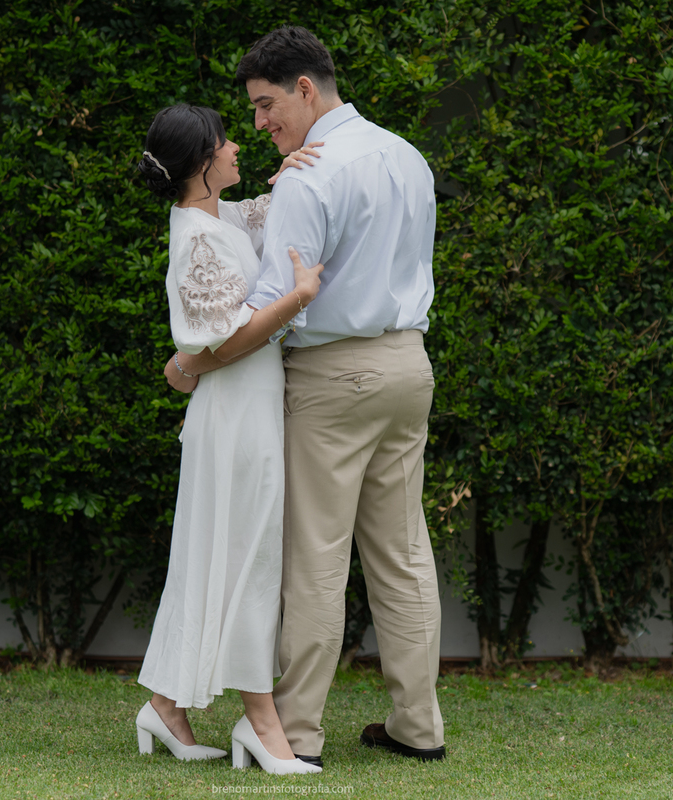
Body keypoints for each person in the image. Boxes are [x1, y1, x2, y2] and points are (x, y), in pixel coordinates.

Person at [166, 27, 446, 765]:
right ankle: (419, 728)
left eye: (266, 105)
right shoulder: (408, 156)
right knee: (404, 554)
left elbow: (268, 305)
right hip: (409, 366)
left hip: (332, 377)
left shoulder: (308, 176)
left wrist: (189, 362)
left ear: (305, 89)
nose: (260, 123)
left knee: (316, 558)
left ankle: (294, 733)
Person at [133, 103, 326, 776]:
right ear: (202, 162)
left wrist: (292, 175)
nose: (238, 145)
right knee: (248, 556)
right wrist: (298, 297)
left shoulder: (223, 217)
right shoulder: (194, 237)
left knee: (221, 553)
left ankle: (165, 705)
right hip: (234, 419)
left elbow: (266, 220)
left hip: (249, 408)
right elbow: (227, 339)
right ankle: (262, 722)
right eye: (225, 141)